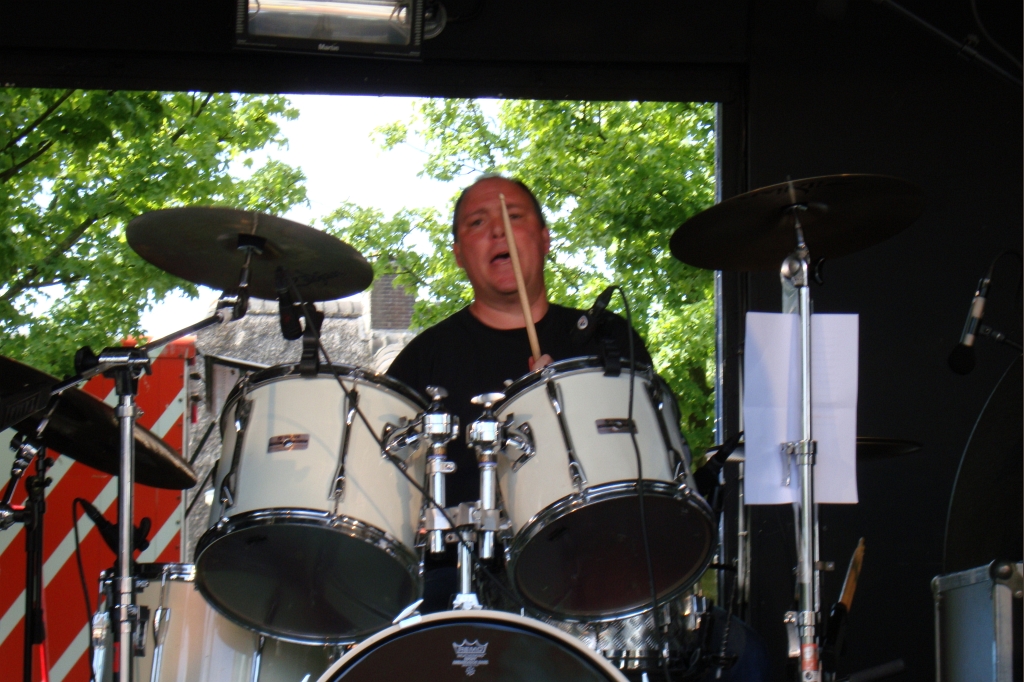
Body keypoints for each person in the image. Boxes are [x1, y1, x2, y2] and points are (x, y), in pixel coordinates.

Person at [386, 174, 652, 507]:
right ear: (459, 255)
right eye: (478, 222)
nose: (499, 231)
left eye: (513, 217)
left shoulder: (608, 338)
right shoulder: (422, 361)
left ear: (544, 239)